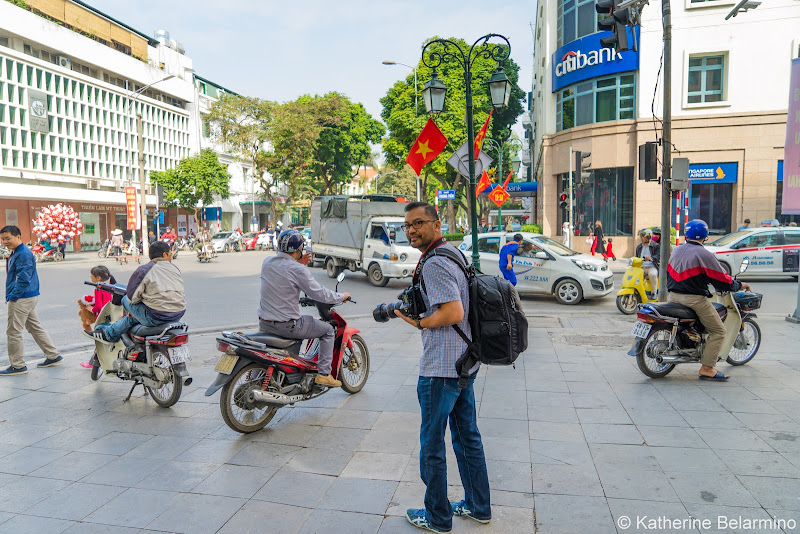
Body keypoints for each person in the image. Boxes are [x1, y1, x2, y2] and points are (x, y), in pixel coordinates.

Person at [392, 202, 490, 533]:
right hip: (464, 360)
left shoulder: (434, 263)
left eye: (418, 223)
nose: (412, 230)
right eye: (407, 225)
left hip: (441, 368)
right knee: (467, 437)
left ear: (436, 225)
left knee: (432, 446)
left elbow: (452, 312)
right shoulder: (453, 252)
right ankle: (478, 506)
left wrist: (418, 322)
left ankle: (437, 517)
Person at [258, 229, 350, 387]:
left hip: (264, 324)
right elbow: (319, 293)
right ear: (299, 249)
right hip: (287, 326)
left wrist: (298, 263)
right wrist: (341, 296)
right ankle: (324, 374)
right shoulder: (298, 270)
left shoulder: (267, 262)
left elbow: (283, 274)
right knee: (328, 330)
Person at [667, 219, 751, 381]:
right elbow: (721, 278)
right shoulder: (704, 254)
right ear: (705, 236)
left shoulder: (677, 250)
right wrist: (738, 285)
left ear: (686, 233)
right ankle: (707, 368)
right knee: (719, 331)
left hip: (673, 296)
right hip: (693, 300)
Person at [85, 241, 185, 343]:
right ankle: (112, 332)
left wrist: (132, 310)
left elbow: (132, 297)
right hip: (178, 314)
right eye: (170, 254)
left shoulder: (144, 270)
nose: (171, 257)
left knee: (125, 299)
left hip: (155, 317)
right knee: (134, 317)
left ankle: (109, 334)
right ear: (164, 255)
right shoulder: (175, 269)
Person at [1, 225, 63, 375]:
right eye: (2, 239)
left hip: (22, 297)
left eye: (7, 238)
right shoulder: (17, 252)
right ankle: (53, 355)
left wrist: (14, 297)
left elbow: (23, 279)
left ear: (18, 237)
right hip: (28, 296)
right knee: (34, 327)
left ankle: (18, 365)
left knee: (13, 331)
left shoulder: (22, 254)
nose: (4, 242)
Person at [78, 265, 117, 367]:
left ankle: (93, 362)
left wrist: (91, 309)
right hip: (109, 315)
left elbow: (99, 306)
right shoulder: (108, 287)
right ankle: (94, 361)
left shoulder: (98, 288)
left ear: (98, 277)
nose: (90, 277)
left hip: (101, 317)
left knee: (99, 340)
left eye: (91, 275)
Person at [635, 229, 660, 297]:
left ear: (648, 237)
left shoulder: (656, 245)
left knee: (652, 274)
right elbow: (636, 257)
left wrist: (650, 258)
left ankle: (654, 293)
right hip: (641, 267)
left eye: (642, 236)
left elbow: (658, 255)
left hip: (652, 266)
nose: (641, 238)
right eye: (640, 236)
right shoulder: (639, 247)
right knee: (635, 277)